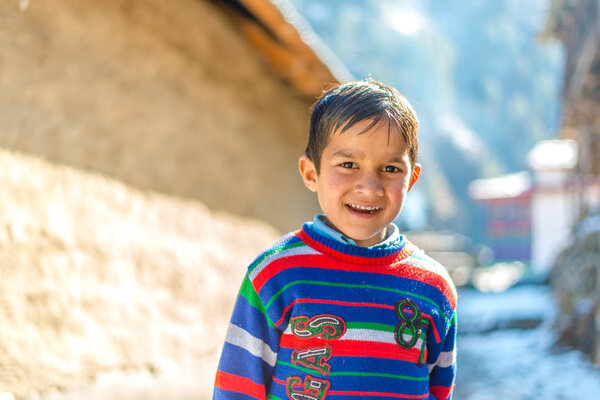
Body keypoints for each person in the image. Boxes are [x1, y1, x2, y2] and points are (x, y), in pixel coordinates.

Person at [213, 79, 457, 400]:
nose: (369, 187)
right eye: (348, 165)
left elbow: (440, 391)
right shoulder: (274, 276)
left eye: (389, 168)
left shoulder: (434, 288)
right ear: (311, 173)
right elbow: (237, 389)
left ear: (411, 179)